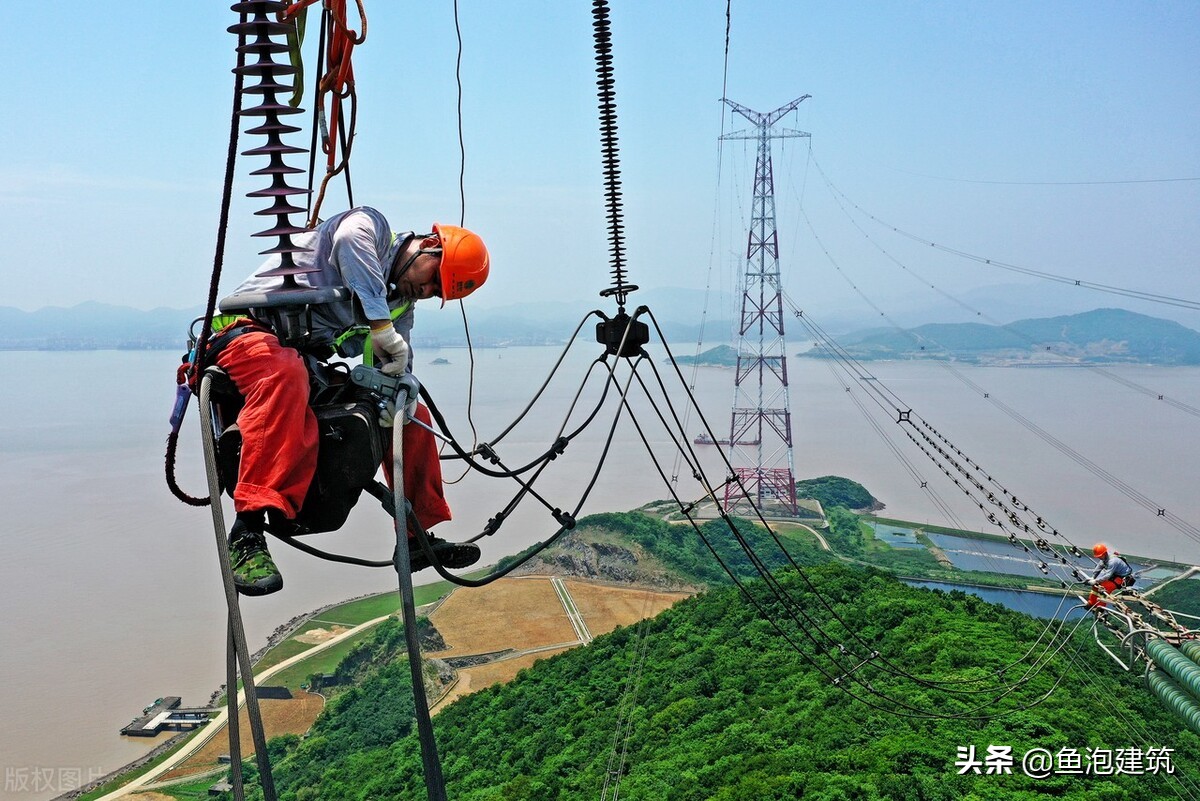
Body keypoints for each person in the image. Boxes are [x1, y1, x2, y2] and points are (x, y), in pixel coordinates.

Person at [209, 206, 490, 595]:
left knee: (408, 412)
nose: (424, 292)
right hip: (245, 332)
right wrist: (378, 323)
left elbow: (397, 358)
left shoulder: (399, 305)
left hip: (300, 358)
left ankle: (415, 536)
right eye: (431, 280)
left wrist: (401, 391)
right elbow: (347, 240)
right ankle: (247, 532)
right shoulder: (371, 227)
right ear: (428, 246)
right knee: (284, 377)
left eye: (434, 294)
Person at [1086, 542, 1134, 610]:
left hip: (1122, 578)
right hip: (1115, 575)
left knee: (1104, 588)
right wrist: (1093, 577)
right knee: (1096, 585)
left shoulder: (1113, 561)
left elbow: (1107, 575)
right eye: (1098, 557)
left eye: (1100, 556)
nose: (1099, 558)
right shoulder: (1103, 559)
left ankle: (1100, 608)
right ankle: (1091, 602)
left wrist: (1096, 580)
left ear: (1105, 553)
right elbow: (1098, 569)